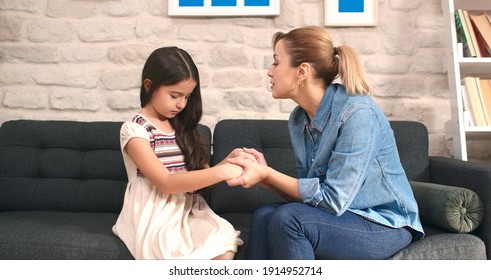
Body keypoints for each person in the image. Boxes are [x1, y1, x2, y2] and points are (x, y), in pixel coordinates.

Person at [227, 26, 425, 260]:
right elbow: (311, 195)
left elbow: (332, 201)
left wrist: (267, 174)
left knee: (289, 219)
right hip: (344, 216)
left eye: (276, 63)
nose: (270, 72)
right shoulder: (299, 118)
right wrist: (262, 176)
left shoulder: (358, 114)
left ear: (302, 71)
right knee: (264, 215)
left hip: (384, 223)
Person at [113, 46, 244, 259]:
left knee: (224, 239)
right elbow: (167, 182)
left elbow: (202, 178)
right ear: (149, 86)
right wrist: (224, 172)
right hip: (154, 212)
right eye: (174, 95)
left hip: (187, 208)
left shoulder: (181, 127)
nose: (181, 104)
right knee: (173, 251)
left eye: (187, 96)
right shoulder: (135, 130)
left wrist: (228, 163)